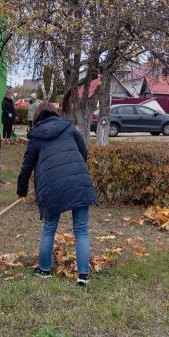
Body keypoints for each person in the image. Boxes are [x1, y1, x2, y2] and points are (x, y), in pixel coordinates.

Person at [17, 102, 98, 285]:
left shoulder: (36, 136)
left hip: (52, 186)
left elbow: (26, 167)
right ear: (55, 113)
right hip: (79, 181)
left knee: (49, 228)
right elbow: (83, 153)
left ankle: (44, 270)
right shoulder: (69, 128)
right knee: (81, 230)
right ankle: (83, 276)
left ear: (37, 117)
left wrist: (21, 191)